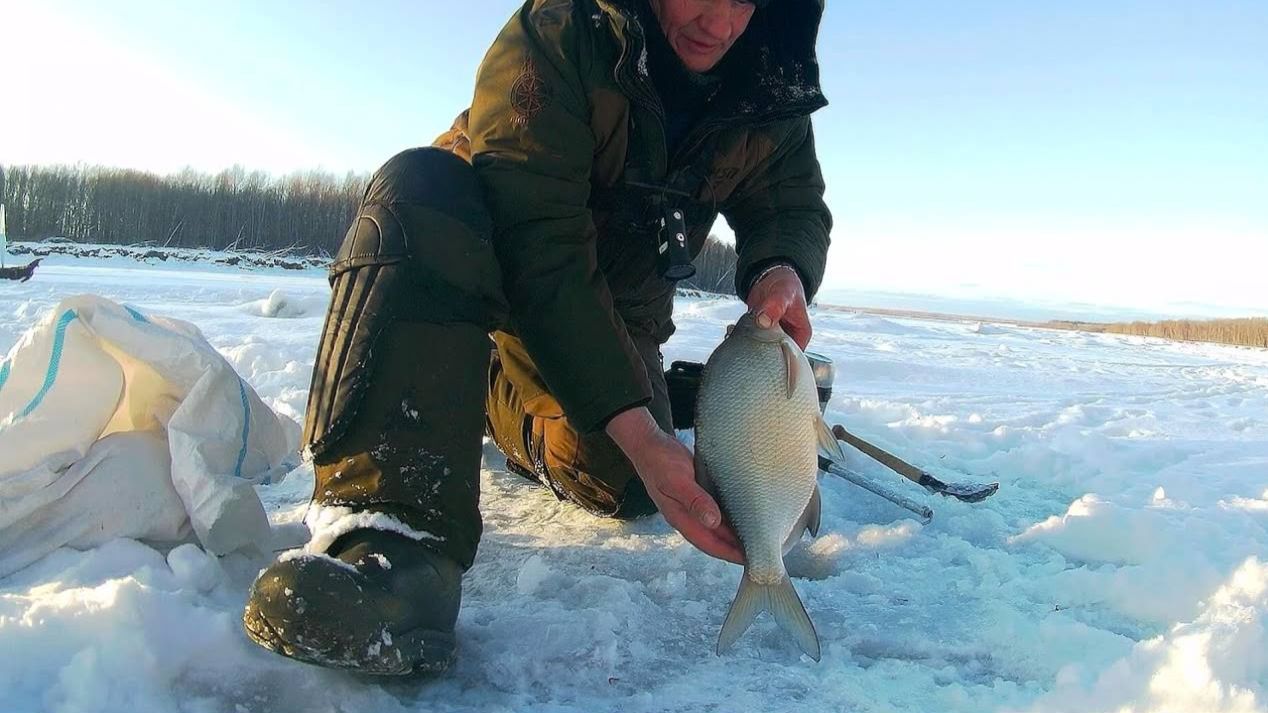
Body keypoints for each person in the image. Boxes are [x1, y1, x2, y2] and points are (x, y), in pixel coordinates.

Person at [243, 0, 831, 674]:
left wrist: (780, 268)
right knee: (422, 184)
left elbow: (789, 202)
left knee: (626, 478)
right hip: (485, 274)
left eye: (745, 0)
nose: (720, 24)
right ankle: (388, 540)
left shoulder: (768, 73)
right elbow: (540, 251)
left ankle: (490, 393)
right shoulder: (559, 35)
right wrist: (638, 429)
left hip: (613, 316)